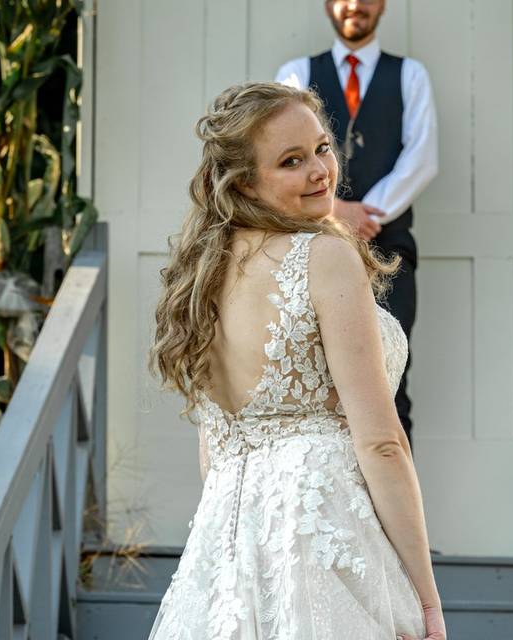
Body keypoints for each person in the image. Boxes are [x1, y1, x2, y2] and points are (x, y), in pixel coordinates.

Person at [146, 82, 446, 640]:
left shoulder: (200, 275)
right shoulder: (324, 255)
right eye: (291, 161)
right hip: (322, 532)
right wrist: (426, 599)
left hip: (227, 544)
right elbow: (380, 442)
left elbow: (216, 449)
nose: (319, 171)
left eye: (322, 148)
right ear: (244, 181)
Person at [275, 0, 438, 447]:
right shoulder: (295, 74)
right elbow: (275, 158)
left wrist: (368, 215)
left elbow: (421, 160)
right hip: (308, 251)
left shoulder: (410, 76)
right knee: (315, 384)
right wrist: (334, 212)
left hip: (389, 252)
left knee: (390, 382)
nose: (355, 6)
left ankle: (392, 513)